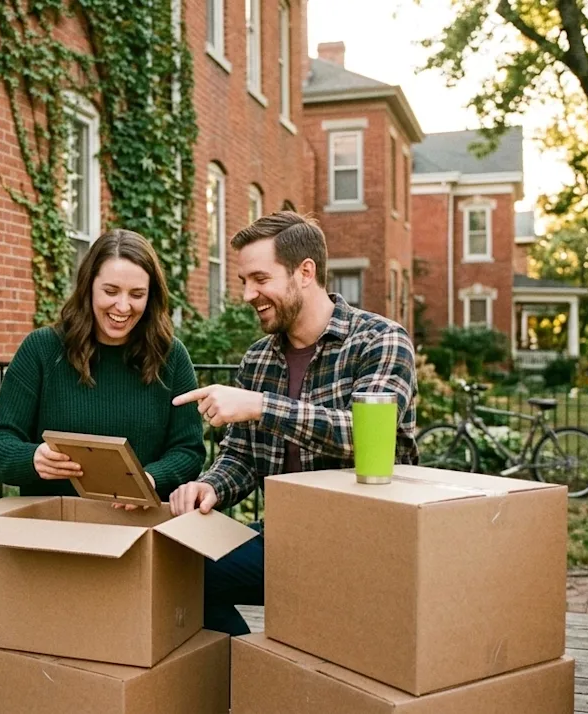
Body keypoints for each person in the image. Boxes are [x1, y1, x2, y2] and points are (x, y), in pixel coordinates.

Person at [170, 211, 418, 636]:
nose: (248, 294)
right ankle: (248, 673)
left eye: (260, 279)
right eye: (244, 281)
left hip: (366, 545)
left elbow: (370, 438)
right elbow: (242, 457)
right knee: (174, 569)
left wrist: (264, 405)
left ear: (305, 272)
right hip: (284, 539)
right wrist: (209, 486)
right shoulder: (259, 358)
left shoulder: (380, 340)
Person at [0, 229, 207, 503]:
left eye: (137, 294)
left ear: (151, 297)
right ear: (88, 286)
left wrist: (148, 480)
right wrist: (32, 459)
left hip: (139, 526)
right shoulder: (42, 349)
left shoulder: (170, 356)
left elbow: (188, 450)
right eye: (110, 291)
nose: (123, 306)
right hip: (52, 526)